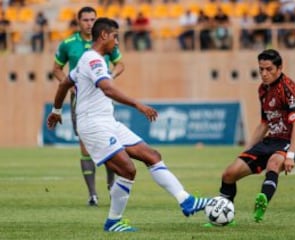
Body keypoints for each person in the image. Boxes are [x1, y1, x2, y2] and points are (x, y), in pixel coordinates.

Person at [47, 17, 208, 232]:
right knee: (128, 170)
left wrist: (56, 110)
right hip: (94, 125)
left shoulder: (91, 60)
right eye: (115, 36)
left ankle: (186, 200)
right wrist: (138, 105)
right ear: (104, 35)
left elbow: (65, 83)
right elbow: (108, 89)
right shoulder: (94, 60)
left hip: (107, 122)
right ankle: (113, 221)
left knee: (152, 156)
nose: (117, 42)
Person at [217, 49, 295, 223]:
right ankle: (224, 218)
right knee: (229, 174)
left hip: (290, 141)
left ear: (279, 68)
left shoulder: (289, 88)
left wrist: (290, 155)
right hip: (270, 140)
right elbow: (264, 124)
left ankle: (263, 200)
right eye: (261, 69)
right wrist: (247, 150)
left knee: (273, 163)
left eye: (268, 69)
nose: (264, 74)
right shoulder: (263, 89)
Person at [53, 6, 123, 206]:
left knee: (109, 141)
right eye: (85, 19)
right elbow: (57, 69)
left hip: (102, 98)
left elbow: (120, 64)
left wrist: (111, 75)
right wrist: (68, 83)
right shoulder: (68, 44)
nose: (89, 23)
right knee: (85, 146)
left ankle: (111, 187)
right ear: (78, 22)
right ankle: (92, 194)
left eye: (93, 19)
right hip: (80, 100)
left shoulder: (106, 40)